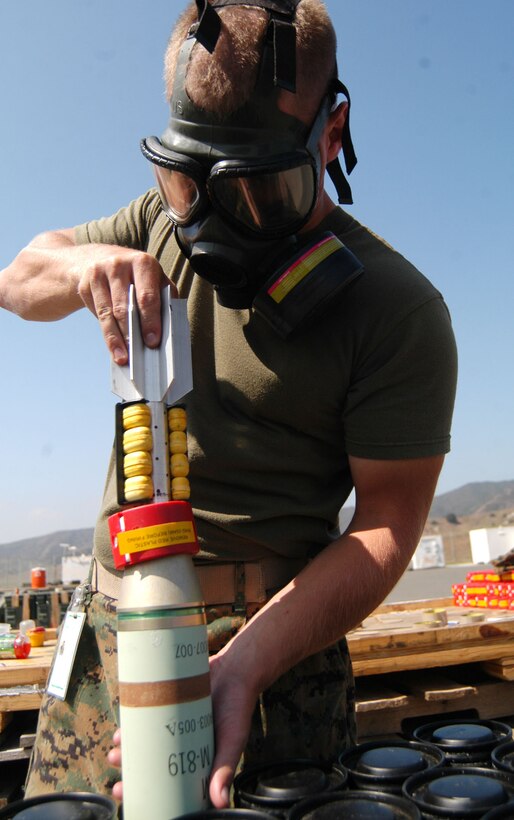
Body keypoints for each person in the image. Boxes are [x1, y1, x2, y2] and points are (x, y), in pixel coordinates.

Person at [0, 0, 457, 810]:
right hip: (111, 635)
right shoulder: (159, 224)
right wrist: (82, 269)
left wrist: (246, 661)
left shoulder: (396, 310)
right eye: (189, 184)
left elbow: (388, 524)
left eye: (264, 190)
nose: (218, 228)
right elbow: (18, 277)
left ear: (333, 129)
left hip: (275, 652)